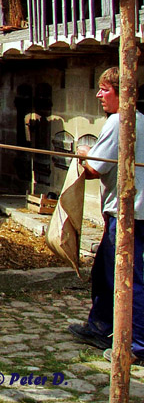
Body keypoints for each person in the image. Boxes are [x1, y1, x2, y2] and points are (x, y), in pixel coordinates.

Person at [67, 66, 144, 365]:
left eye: (105, 89)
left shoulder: (119, 121)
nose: (99, 95)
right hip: (133, 212)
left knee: (129, 280)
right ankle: (101, 327)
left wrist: (84, 153)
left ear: (121, 92)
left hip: (128, 214)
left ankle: (136, 346)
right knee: (103, 272)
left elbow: (96, 169)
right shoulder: (139, 120)